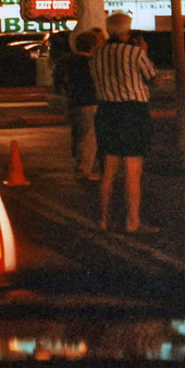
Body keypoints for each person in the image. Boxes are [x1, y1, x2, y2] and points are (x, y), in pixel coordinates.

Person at [89, 13, 158, 234]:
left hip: (107, 110)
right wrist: (144, 52)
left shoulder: (97, 53)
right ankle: (132, 221)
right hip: (133, 111)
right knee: (132, 168)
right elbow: (152, 78)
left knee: (108, 168)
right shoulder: (135, 53)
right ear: (127, 30)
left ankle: (104, 219)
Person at [66, 28, 103, 181]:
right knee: (89, 137)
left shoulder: (70, 61)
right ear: (93, 46)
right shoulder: (89, 63)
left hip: (75, 101)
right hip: (89, 101)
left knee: (80, 134)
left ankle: (81, 165)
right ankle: (84, 169)